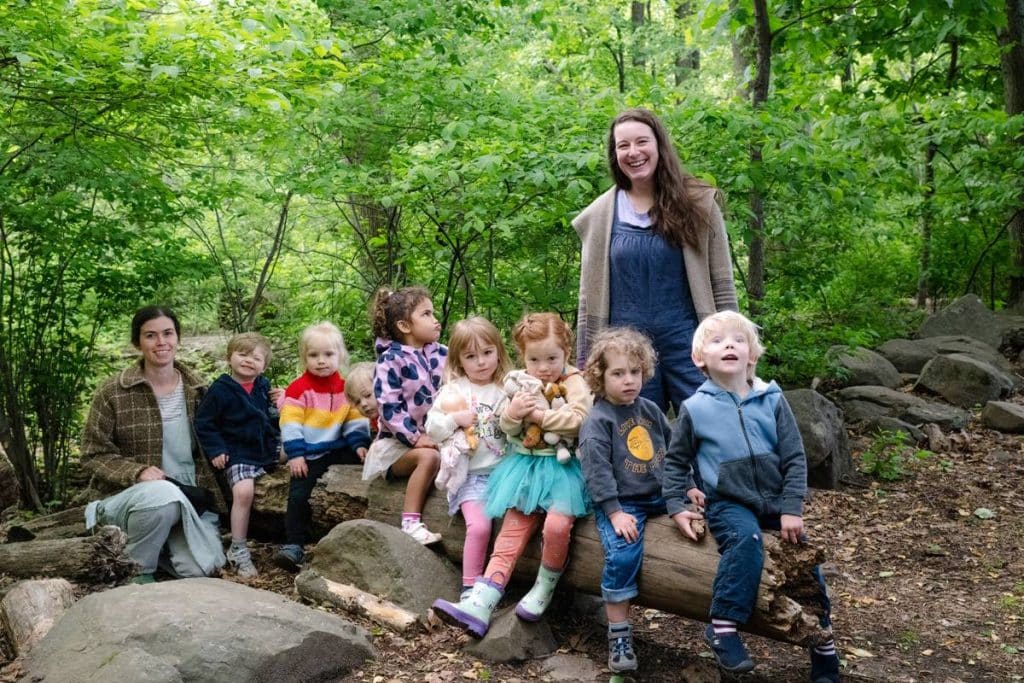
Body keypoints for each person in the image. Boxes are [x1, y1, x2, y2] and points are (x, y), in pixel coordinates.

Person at [662, 311, 840, 682]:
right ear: (700, 359)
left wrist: (792, 508)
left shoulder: (772, 400)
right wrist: (677, 506)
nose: (729, 344)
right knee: (746, 540)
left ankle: (823, 642)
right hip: (728, 502)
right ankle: (723, 626)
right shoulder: (695, 408)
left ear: (752, 354)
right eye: (717, 341)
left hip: (775, 501)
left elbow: (794, 458)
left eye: (738, 340)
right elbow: (675, 463)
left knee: (806, 564)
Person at [432, 312, 592, 637]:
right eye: (534, 359)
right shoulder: (519, 380)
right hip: (524, 467)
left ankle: (544, 587)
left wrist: (541, 415)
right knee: (511, 530)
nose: (543, 366)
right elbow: (506, 427)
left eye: (552, 358)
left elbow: (579, 419)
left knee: (557, 526)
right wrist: (514, 414)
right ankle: (482, 599)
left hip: (562, 468)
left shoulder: (575, 380)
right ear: (522, 356)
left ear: (566, 351)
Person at [574, 107, 738, 414]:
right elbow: (588, 301)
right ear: (614, 155)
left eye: (642, 142)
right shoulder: (598, 217)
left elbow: (722, 284)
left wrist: (735, 346)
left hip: (689, 344)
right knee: (637, 445)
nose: (633, 152)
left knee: (712, 428)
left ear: (659, 145)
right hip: (626, 356)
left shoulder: (700, 203)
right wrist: (586, 364)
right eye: (623, 146)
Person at [578, 327, 703, 672]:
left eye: (635, 372)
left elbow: (674, 451)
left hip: (662, 496)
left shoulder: (649, 408)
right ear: (600, 376)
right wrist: (615, 513)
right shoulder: (598, 420)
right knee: (622, 554)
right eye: (618, 373)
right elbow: (597, 472)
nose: (629, 380)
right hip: (623, 502)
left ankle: (717, 623)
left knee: (706, 526)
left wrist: (688, 485)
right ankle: (619, 636)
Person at [80, 305, 225, 583]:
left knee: (201, 570)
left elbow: (232, 430)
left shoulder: (201, 390)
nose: (161, 342)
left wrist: (278, 405)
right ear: (137, 343)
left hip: (188, 494)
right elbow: (92, 453)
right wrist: (136, 472)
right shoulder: (114, 391)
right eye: (151, 335)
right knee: (162, 497)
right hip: (131, 495)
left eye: (168, 333)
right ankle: (137, 572)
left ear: (178, 339)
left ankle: (158, 552)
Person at [425, 316, 511, 599]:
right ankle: (471, 586)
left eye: (487, 353)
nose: (482, 362)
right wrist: (453, 419)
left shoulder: (507, 389)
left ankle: (504, 583)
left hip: (506, 473)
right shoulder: (453, 390)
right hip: (471, 476)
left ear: (498, 350)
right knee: (480, 526)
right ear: (459, 360)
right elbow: (432, 428)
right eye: (471, 356)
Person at [273, 322, 371, 571]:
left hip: (337, 446)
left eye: (328, 354)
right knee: (298, 494)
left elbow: (354, 417)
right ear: (304, 357)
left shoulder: (345, 386)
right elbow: (291, 422)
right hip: (308, 450)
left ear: (340, 355)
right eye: (313, 355)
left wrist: (359, 444)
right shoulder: (299, 388)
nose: (321, 361)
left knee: (366, 459)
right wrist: (296, 454)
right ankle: (294, 544)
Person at [361, 287, 446, 545]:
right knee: (429, 457)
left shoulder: (441, 353)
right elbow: (389, 409)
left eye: (433, 312)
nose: (435, 319)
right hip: (396, 446)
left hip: (437, 435)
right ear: (404, 325)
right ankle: (410, 522)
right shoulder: (390, 360)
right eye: (426, 314)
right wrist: (414, 437)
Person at [194, 332, 279, 579]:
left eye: (256, 358)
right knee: (243, 492)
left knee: (300, 451)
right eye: (242, 354)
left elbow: (270, 417)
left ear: (264, 365)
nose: (249, 361)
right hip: (238, 451)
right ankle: (239, 548)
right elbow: (204, 423)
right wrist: (216, 449)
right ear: (229, 357)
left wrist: (281, 402)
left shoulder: (262, 385)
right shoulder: (221, 390)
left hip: (264, 445)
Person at [345, 361, 379, 436]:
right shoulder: (374, 419)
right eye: (357, 402)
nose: (363, 404)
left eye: (368, 395)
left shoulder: (394, 415)